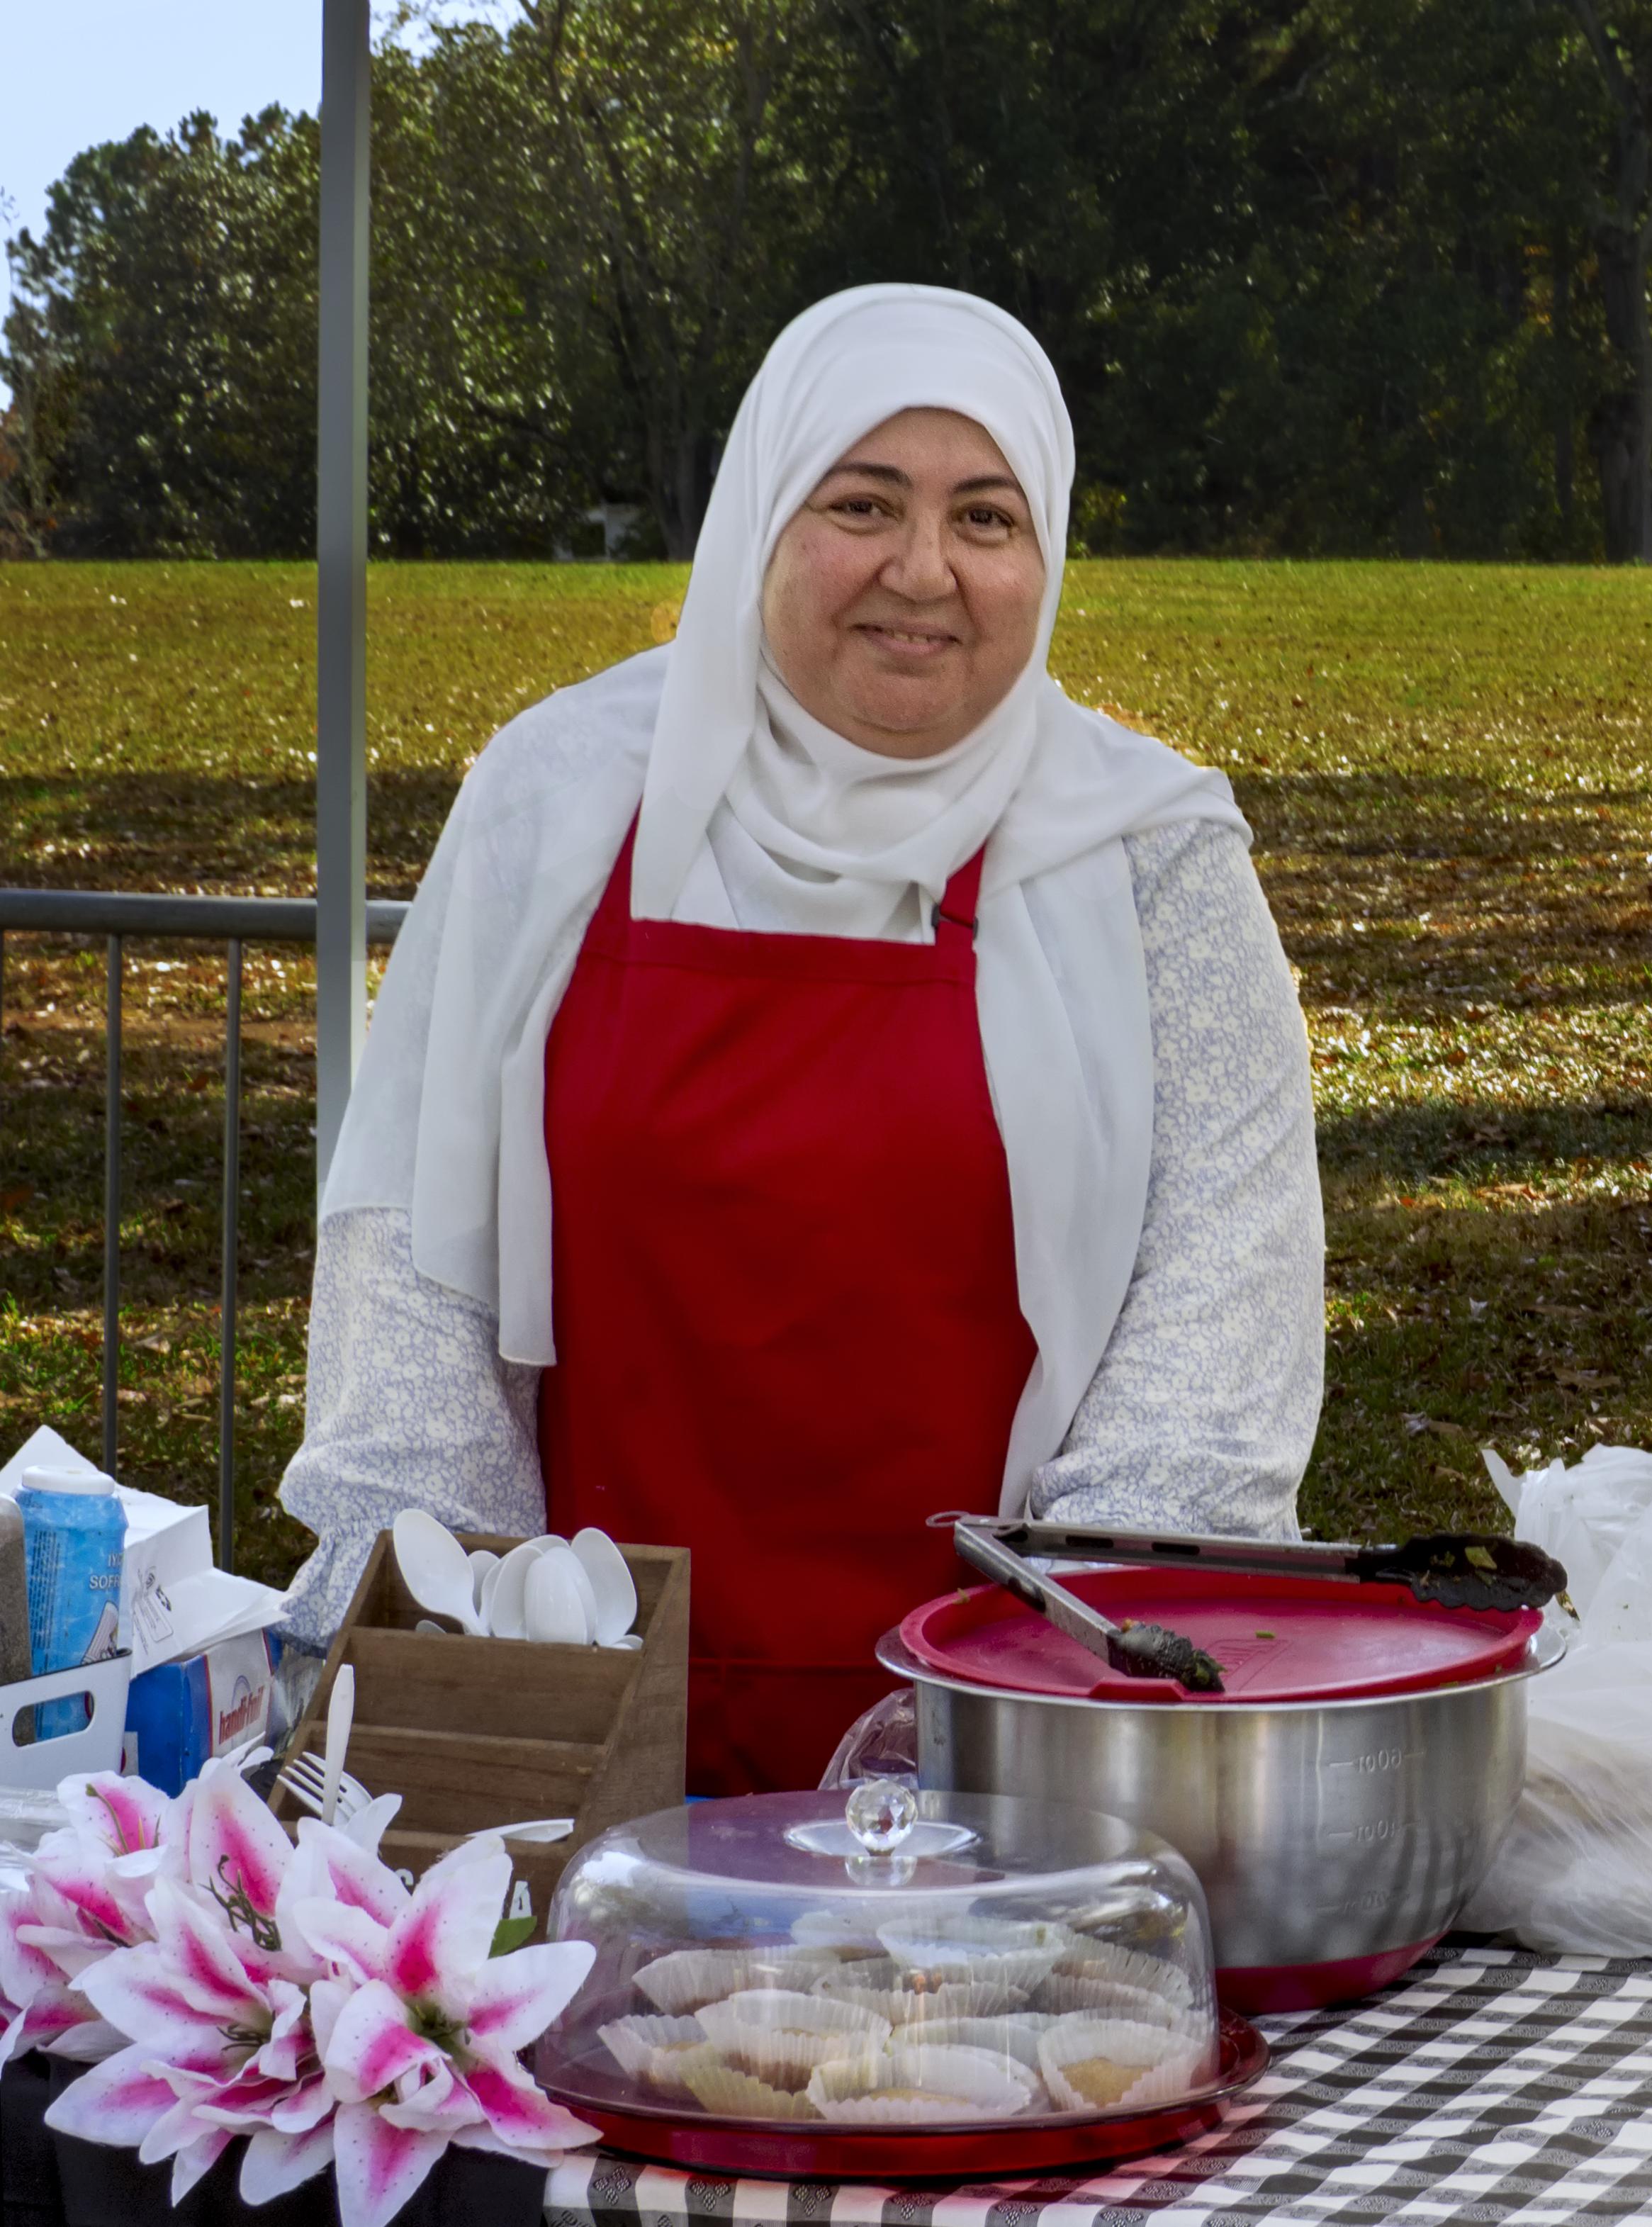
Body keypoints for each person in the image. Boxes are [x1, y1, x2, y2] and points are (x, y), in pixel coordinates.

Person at [279, 286, 1322, 1794]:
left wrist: (999, 1723)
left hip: (1006, 1759)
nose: (922, 569)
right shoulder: (556, 797)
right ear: (762, 515)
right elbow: (412, 1282)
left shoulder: (1152, 857)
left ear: (1048, 552)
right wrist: (482, 1673)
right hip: (574, 1743)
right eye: (862, 502)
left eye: (985, 516)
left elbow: (1218, 1344)